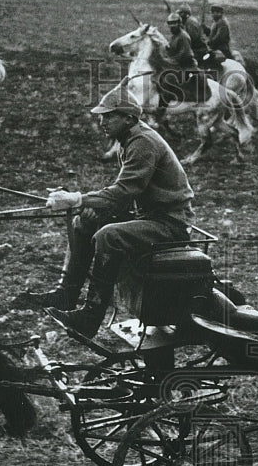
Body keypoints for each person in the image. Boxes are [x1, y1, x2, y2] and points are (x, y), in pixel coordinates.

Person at [19, 80, 195, 338]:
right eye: (101, 117)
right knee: (84, 222)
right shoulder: (131, 138)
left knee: (108, 236)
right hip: (149, 216)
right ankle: (66, 294)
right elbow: (125, 194)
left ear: (128, 117)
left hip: (170, 224)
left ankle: (90, 318)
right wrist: (93, 209)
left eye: (109, 117)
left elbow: (124, 191)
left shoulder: (142, 142)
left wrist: (76, 199)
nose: (102, 123)